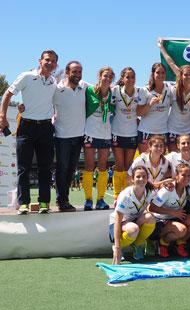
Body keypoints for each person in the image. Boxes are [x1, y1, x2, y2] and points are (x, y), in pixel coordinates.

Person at [0, 50, 58, 214]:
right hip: (26, 127)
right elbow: (7, 94)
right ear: (40, 61)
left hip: (46, 128)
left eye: (53, 61)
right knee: (23, 167)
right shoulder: (26, 76)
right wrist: (2, 116)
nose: (50, 63)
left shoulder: (54, 82)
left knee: (45, 167)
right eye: (47, 60)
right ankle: (24, 203)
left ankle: (44, 202)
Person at [53, 60, 86, 212]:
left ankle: (64, 199)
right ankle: (62, 200)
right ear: (67, 72)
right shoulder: (56, 89)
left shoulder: (84, 87)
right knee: (62, 169)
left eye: (80, 72)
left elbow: (103, 88)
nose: (77, 75)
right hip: (62, 136)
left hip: (79, 136)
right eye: (74, 71)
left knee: (71, 169)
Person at [149, 163, 190, 258]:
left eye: (189, 175)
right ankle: (162, 243)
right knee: (182, 230)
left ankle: (179, 244)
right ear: (176, 175)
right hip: (161, 221)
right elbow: (152, 208)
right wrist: (173, 212)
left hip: (175, 218)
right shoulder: (168, 189)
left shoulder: (189, 187)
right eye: (183, 175)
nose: (187, 178)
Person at [82, 67, 115, 211]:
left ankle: (100, 199)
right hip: (90, 131)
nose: (107, 79)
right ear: (99, 76)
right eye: (105, 76)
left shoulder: (113, 94)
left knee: (103, 167)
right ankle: (88, 199)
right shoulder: (89, 90)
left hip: (105, 133)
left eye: (110, 77)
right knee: (89, 166)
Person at [110, 166, 156, 263]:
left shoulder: (149, 192)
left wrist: (169, 184)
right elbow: (117, 221)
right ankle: (117, 247)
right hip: (119, 223)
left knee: (151, 218)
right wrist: (117, 247)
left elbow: (162, 188)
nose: (141, 179)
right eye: (138, 177)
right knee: (133, 229)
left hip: (135, 220)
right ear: (132, 179)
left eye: (144, 176)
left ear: (147, 179)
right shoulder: (125, 195)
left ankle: (138, 244)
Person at [111, 67, 140, 200]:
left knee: (128, 166)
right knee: (119, 165)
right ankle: (117, 195)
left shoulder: (139, 92)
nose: (130, 80)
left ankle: (128, 193)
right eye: (127, 77)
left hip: (132, 133)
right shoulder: (115, 91)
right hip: (117, 132)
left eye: (133, 77)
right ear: (122, 78)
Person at [137, 63, 171, 153]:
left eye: (163, 73)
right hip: (146, 131)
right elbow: (139, 112)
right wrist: (150, 104)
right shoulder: (144, 90)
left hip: (163, 131)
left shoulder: (169, 89)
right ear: (153, 74)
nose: (160, 75)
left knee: (161, 163)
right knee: (145, 162)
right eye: (158, 72)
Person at [167, 65, 190, 152]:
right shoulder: (173, 90)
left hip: (187, 130)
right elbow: (167, 105)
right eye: (185, 74)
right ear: (181, 76)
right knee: (173, 159)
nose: (188, 77)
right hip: (173, 129)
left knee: (186, 158)